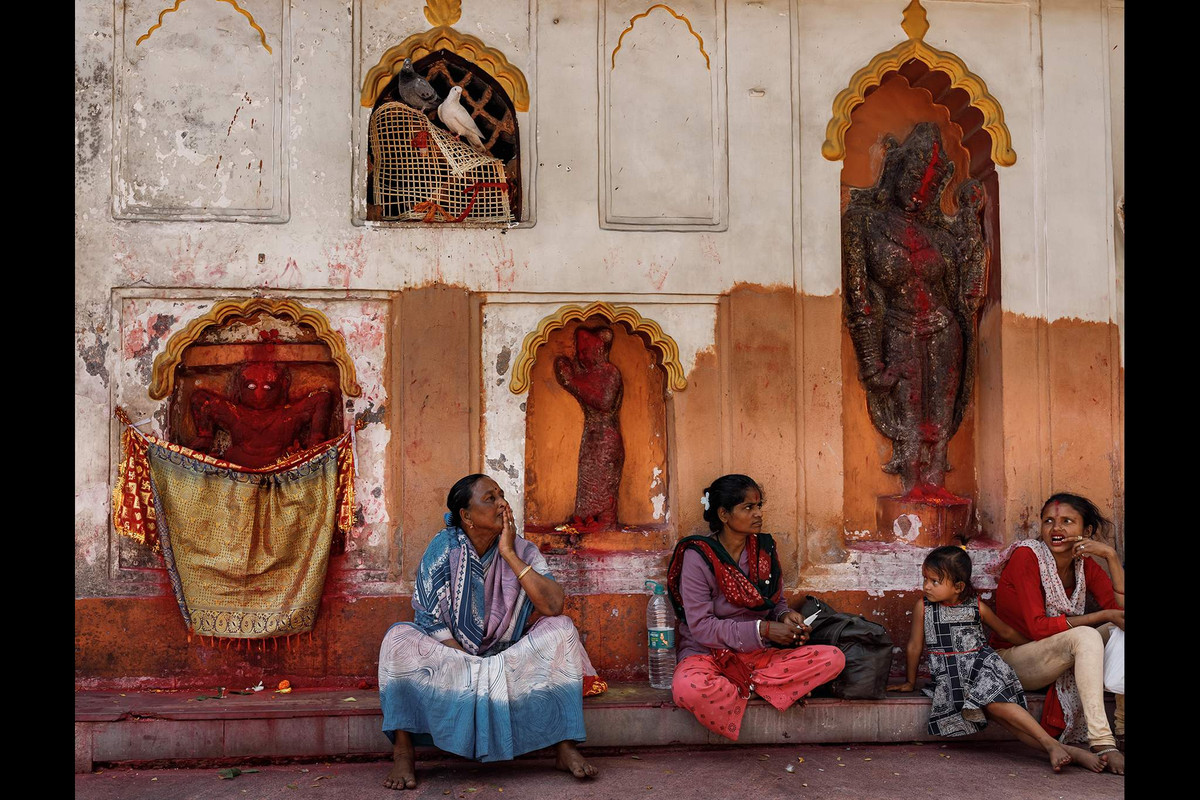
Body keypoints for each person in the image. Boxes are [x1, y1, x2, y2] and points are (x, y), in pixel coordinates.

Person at [377, 474, 602, 790]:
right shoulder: (443, 548)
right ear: (466, 515)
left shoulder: (522, 550)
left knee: (561, 628)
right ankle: (403, 751)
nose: (502, 504)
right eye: (490, 498)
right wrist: (466, 661)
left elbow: (553, 606)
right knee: (398, 638)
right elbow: (428, 618)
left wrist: (509, 553)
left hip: (507, 658)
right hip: (453, 659)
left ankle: (564, 746)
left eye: (501, 495)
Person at [888, 546, 1104, 772]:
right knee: (1004, 719)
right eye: (925, 579)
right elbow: (914, 646)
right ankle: (1063, 749)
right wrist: (910, 682)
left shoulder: (976, 607)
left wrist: (1035, 648)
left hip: (982, 669)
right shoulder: (924, 608)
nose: (926, 586)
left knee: (995, 704)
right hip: (953, 678)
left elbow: (1006, 632)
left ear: (958, 587)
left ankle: (1052, 746)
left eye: (934, 581)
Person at [666, 474, 845, 740]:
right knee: (687, 688)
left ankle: (741, 688)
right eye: (748, 507)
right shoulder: (698, 556)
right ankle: (761, 689)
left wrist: (785, 617)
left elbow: (776, 604)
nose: (758, 513)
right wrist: (763, 630)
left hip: (759, 656)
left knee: (833, 658)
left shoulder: (765, 549)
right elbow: (701, 628)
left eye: (759, 506)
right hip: (708, 655)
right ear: (724, 514)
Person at [988, 493, 1125, 774]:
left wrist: (1110, 556)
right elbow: (1038, 627)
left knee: (1117, 629)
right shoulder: (1027, 556)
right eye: (1049, 521)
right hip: (1013, 660)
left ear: (1086, 530)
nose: (1056, 528)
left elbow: (1120, 612)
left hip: (1055, 655)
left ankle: (1122, 725)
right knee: (1087, 634)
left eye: (1067, 521)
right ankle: (1103, 742)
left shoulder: (1084, 565)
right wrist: (1103, 615)